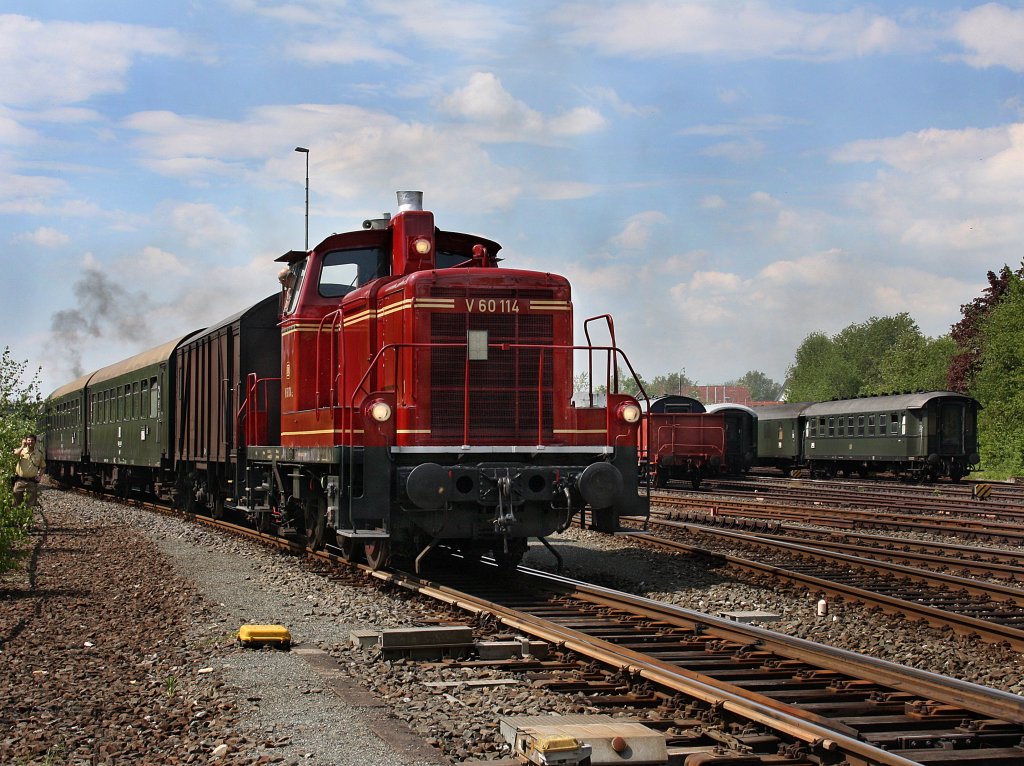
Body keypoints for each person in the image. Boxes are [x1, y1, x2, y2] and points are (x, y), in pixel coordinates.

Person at [12, 433, 45, 508]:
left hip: (31, 483)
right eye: (29, 440)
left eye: (32, 440)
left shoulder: (39, 454)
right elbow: (15, 454)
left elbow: (43, 467)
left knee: (30, 506)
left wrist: (40, 476)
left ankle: (28, 518)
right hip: (20, 482)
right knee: (15, 504)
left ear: (35, 442)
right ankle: (18, 519)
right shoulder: (21, 451)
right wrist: (22, 446)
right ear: (26, 441)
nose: (30, 442)